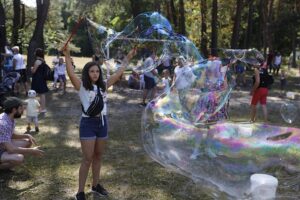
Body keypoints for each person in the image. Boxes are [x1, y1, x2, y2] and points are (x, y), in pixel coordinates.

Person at [63, 45, 136, 200]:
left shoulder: (103, 85)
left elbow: (118, 74)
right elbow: (70, 73)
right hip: (88, 124)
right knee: (87, 158)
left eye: (97, 71)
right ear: (87, 73)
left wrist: (128, 57)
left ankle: (96, 186)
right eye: (92, 71)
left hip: (102, 123)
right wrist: (67, 55)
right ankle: (80, 192)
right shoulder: (82, 86)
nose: (95, 74)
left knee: (98, 156)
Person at [0, 97, 44, 170]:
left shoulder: (8, 117)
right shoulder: (3, 124)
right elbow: (11, 149)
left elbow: (9, 135)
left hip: (2, 145)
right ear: (14, 110)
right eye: (21, 108)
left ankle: (6, 158)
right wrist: (31, 151)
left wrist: (26, 135)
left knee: (27, 142)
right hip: (3, 147)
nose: (23, 110)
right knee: (19, 158)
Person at [31, 48, 49, 113]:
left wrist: (31, 69)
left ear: (36, 53)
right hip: (42, 79)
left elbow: (33, 71)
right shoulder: (43, 60)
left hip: (37, 79)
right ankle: (42, 108)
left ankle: (38, 108)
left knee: (36, 94)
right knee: (42, 94)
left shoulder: (37, 61)